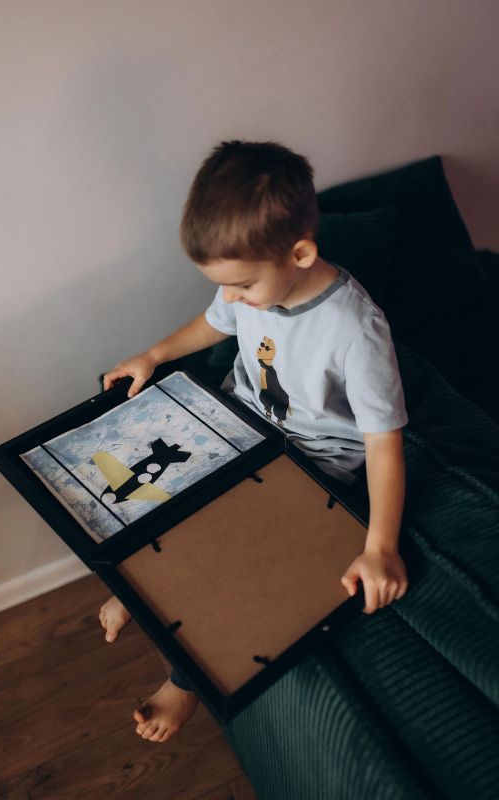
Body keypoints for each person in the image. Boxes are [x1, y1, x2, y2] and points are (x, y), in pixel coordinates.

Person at [99, 140, 409, 744]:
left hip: (313, 459)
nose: (232, 296)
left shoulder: (356, 328)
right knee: (152, 492)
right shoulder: (242, 285)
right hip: (240, 425)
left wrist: (381, 547)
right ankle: (138, 590)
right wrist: (154, 355)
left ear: (301, 253)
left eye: (241, 285)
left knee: (237, 557)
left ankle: (183, 683)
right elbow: (213, 322)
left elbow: (383, 444)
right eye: (224, 285)